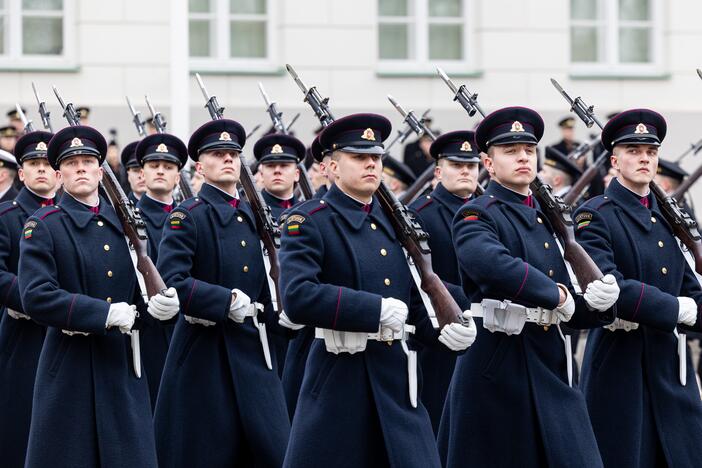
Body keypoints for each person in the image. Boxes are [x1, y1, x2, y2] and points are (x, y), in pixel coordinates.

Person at [279, 113, 476, 467]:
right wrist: (373, 309)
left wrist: (445, 330)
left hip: (395, 376)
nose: (371, 163)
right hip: (339, 378)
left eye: (376, 157)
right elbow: (298, 296)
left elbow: (415, 298)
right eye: (359, 157)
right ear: (332, 168)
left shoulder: (395, 224)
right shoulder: (308, 221)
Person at [439, 107, 618, 468]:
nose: (523, 157)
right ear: (488, 164)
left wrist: (599, 301)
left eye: (529, 150)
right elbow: (492, 264)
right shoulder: (476, 213)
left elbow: (573, 295)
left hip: (549, 357)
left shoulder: (550, 219)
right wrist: (560, 296)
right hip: (497, 364)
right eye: (510, 151)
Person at [18, 125, 179, 468]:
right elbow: (35, 295)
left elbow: (139, 293)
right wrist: (101, 314)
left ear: (101, 171)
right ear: (59, 175)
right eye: (72, 162)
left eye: (88, 161)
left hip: (121, 364)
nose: (80, 167)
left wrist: (159, 308)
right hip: (69, 366)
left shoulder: (127, 226)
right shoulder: (44, 224)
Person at [154, 119, 290, 468]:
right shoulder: (188, 216)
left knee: (272, 448)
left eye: (233, 154)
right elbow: (173, 280)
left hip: (252, 347)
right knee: (209, 451)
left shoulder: (249, 213)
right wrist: (224, 300)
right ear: (200, 166)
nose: (228, 160)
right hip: (206, 352)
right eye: (218, 154)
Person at [574, 109, 702, 467]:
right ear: (615, 160)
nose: (644, 158)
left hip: (668, 366)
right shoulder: (595, 214)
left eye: (650, 151)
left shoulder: (668, 219)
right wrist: (674, 309)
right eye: (632, 150)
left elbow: (692, 291)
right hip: (620, 364)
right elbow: (611, 284)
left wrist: (692, 308)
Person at [408, 130, 479, 434]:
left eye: (471, 165)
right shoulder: (420, 215)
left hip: (491, 338)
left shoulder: (487, 212)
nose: (465, 171)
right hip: (442, 339)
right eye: (456, 165)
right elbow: (417, 281)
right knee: (440, 428)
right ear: (438, 172)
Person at [0, 131, 58, 468]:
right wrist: (32, 298)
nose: (41, 170)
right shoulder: (7, 216)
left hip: (68, 333)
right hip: (22, 334)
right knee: (19, 423)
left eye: (47, 164)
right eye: (33, 164)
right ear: (21, 173)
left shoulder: (68, 218)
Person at [134, 132, 188, 408]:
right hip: (149, 331)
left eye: (168, 167)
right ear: (142, 174)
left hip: (188, 327)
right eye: (154, 166)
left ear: (178, 177)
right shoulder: (130, 220)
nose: (161, 171)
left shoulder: (189, 216)